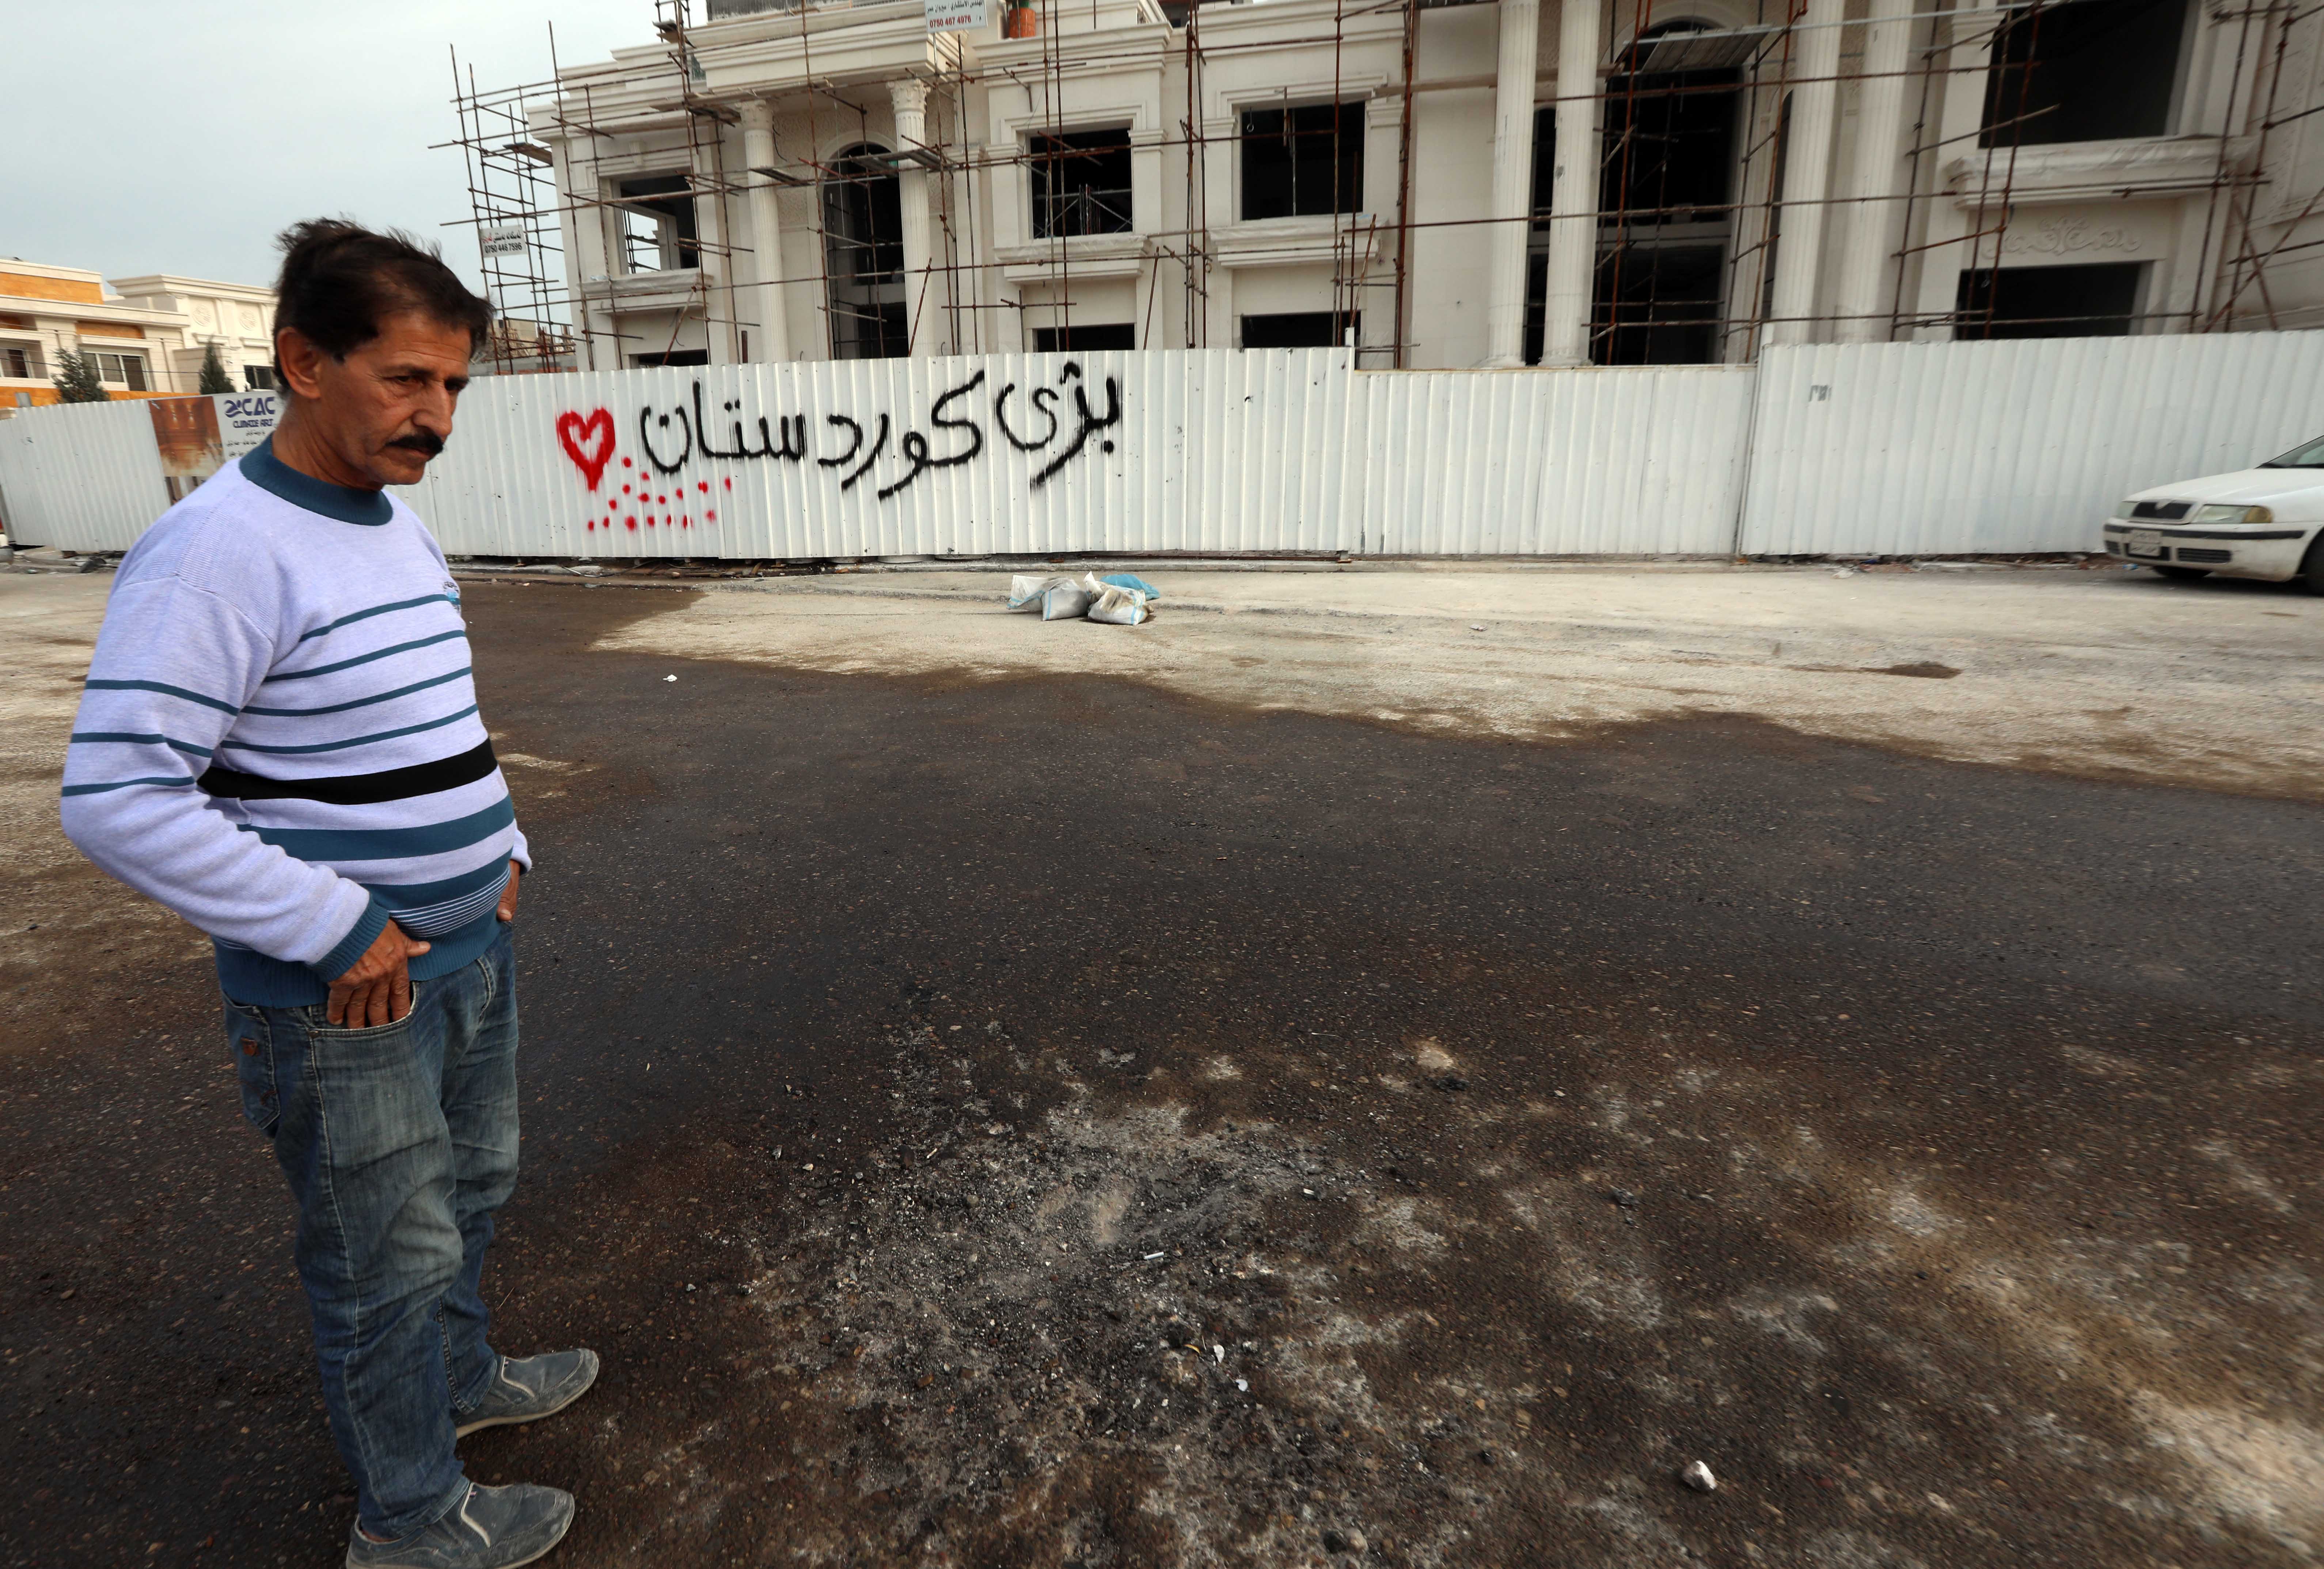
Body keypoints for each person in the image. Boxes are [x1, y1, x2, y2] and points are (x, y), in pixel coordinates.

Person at [61, 220, 591, 1569]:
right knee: (384, 1260)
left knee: (470, 1195)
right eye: (408, 379)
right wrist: (335, 923)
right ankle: (407, 1522)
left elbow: (436, 717)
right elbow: (119, 796)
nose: (439, 416)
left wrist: (505, 847)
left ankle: (460, 1390)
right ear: (304, 361)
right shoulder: (216, 552)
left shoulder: (390, 524)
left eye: (457, 387)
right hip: (347, 991)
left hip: (466, 949)